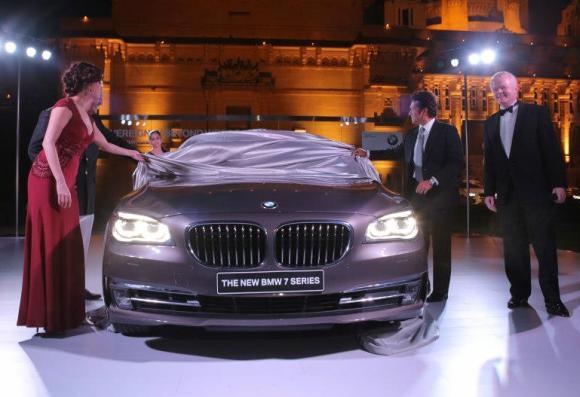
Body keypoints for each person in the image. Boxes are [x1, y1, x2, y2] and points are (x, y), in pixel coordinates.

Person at [17, 61, 143, 334]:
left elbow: (106, 144)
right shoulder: (64, 108)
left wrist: (133, 154)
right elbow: (47, 143)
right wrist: (61, 182)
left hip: (65, 183)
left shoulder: (89, 116)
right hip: (47, 181)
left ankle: (69, 314)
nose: (101, 89)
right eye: (99, 84)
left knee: (69, 245)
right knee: (52, 244)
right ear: (88, 87)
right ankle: (49, 318)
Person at [357, 91, 463, 302]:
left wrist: (432, 180)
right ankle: (422, 286)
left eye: (413, 109)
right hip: (417, 199)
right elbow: (395, 152)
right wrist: (368, 154)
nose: (410, 114)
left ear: (424, 111)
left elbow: (456, 164)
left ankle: (441, 292)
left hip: (440, 198)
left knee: (441, 246)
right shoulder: (412, 135)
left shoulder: (447, 132)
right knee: (419, 245)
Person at [28, 95, 136, 301]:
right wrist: (59, 177)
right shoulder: (52, 113)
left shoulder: (91, 118)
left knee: (82, 244)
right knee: (61, 246)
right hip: (64, 192)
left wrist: (136, 154)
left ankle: (77, 287)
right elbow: (35, 149)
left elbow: (109, 141)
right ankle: (57, 291)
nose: (99, 99)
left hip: (87, 192)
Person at [483, 71, 569, 317]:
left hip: (537, 194)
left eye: (504, 87)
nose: (500, 92)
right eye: (495, 89)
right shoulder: (490, 122)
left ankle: (553, 300)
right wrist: (489, 191)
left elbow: (552, 151)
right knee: (513, 249)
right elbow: (490, 162)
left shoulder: (537, 113)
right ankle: (519, 295)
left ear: (516, 88)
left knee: (544, 248)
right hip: (507, 197)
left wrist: (559, 184)